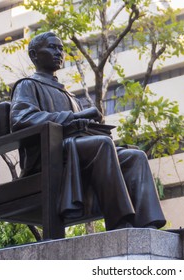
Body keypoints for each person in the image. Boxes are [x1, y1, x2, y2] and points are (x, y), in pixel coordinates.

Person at [10, 31, 166, 230]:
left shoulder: (69, 95)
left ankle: (147, 225)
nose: (59, 53)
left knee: (135, 156)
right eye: (51, 47)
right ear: (34, 55)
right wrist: (74, 117)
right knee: (102, 144)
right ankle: (120, 224)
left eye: (61, 48)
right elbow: (21, 119)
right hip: (49, 157)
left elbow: (82, 128)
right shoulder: (27, 85)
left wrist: (94, 123)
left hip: (79, 152)